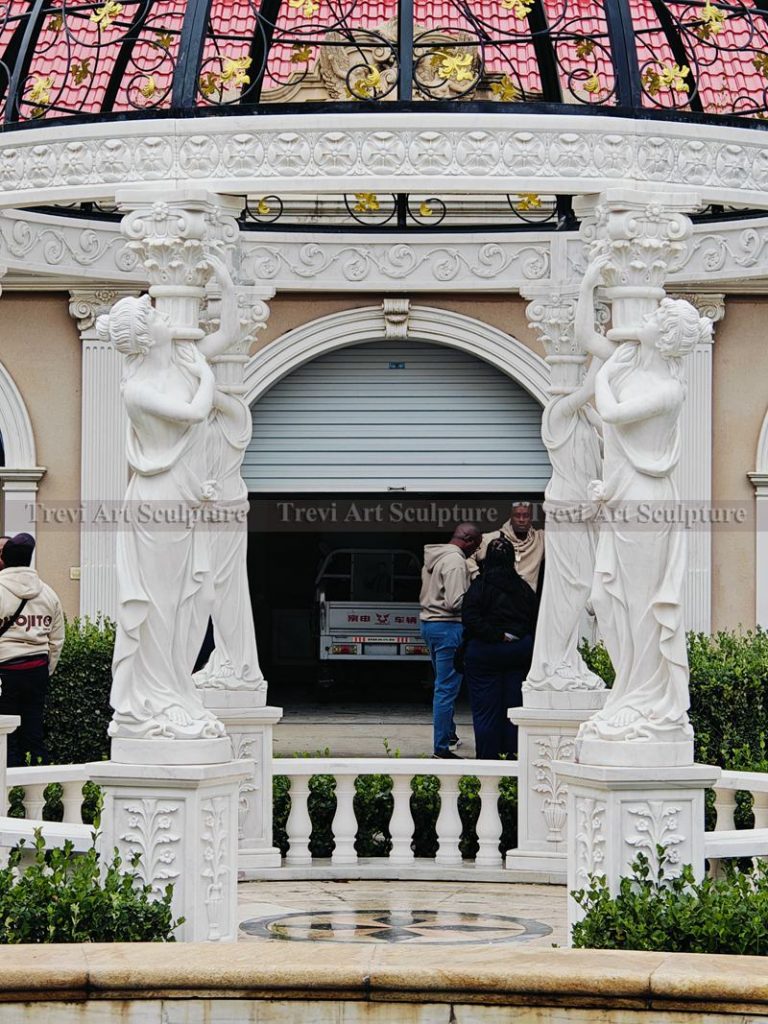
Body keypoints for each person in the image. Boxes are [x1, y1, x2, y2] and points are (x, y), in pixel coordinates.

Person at [576, 255, 712, 750]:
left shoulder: (668, 389)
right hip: (622, 498)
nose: (645, 320)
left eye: (655, 318)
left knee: (642, 604)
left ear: (666, 335)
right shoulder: (632, 365)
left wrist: (604, 373)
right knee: (604, 597)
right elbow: (588, 342)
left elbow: (609, 410)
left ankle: (646, 697)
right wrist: (590, 289)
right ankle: (627, 690)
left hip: (647, 500)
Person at [96, 293, 225, 741]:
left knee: (201, 595)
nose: (162, 312)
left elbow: (227, 334)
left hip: (186, 499)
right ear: (145, 337)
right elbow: (193, 414)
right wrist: (206, 375)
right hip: (158, 500)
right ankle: (157, 697)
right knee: (161, 604)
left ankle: (177, 687)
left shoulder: (180, 362)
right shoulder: (138, 387)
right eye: (152, 313)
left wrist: (227, 283)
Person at [462, 537, 538, 759]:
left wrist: (496, 635)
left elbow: (470, 618)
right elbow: (534, 619)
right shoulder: (523, 588)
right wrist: (516, 636)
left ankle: (487, 759)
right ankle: (512, 757)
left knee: (485, 710)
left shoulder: (480, 586)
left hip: (485, 653)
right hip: (518, 653)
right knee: (514, 707)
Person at [0, 533, 64, 767]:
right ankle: (40, 787)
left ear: (4, 559)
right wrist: (47, 669)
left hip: (5, 672)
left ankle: (12, 796)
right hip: (37, 670)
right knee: (33, 732)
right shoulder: (48, 593)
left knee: (6, 736)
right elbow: (57, 640)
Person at [420, 523, 481, 759]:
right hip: (448, 626)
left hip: (430, 624)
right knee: (446, 689)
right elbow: (456, 602)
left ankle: (450, 733)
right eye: (475, 547)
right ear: (468, 541)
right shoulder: (455, 561)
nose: (474, 552)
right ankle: (441, 748)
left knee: (442, 683)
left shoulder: (435, 556)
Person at [469, 502, 545, 592]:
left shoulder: (540, 539)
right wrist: (477, 577)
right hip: (498, 599)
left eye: (526, 515)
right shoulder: (494, 538)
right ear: (511, 518)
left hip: (526, 600)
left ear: (531, 518)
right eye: (517, 515)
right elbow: (468, 554)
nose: (521, 519)